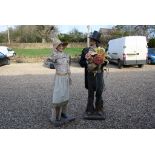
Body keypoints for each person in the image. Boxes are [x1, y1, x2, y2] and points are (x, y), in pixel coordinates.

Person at [79, 31, 108, 120]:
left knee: (99, 92)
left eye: (92, 39)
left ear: (95, 41)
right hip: (90, 74)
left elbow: (105, 62)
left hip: (99, 74)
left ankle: (99, 109)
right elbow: (81, 62)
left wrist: (102, 62)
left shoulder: (102, 50)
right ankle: (89, 109)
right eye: (90, 39)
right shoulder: (85, 50)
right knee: (90, 92)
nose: (90, 41)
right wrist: (88, 62)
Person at [50, 39, 75, 127]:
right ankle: (56, 116)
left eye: (62, 45)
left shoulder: (66, 55)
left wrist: (69, 74)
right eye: (59, 45)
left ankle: (64, 113)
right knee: (58, 96)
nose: (61, 47)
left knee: (65, 95)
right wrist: (53, 58)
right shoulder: (54, 55)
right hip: (59, 78)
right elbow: (47, 63)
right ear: (56, 47)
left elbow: (68, 65)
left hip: (66, 77)